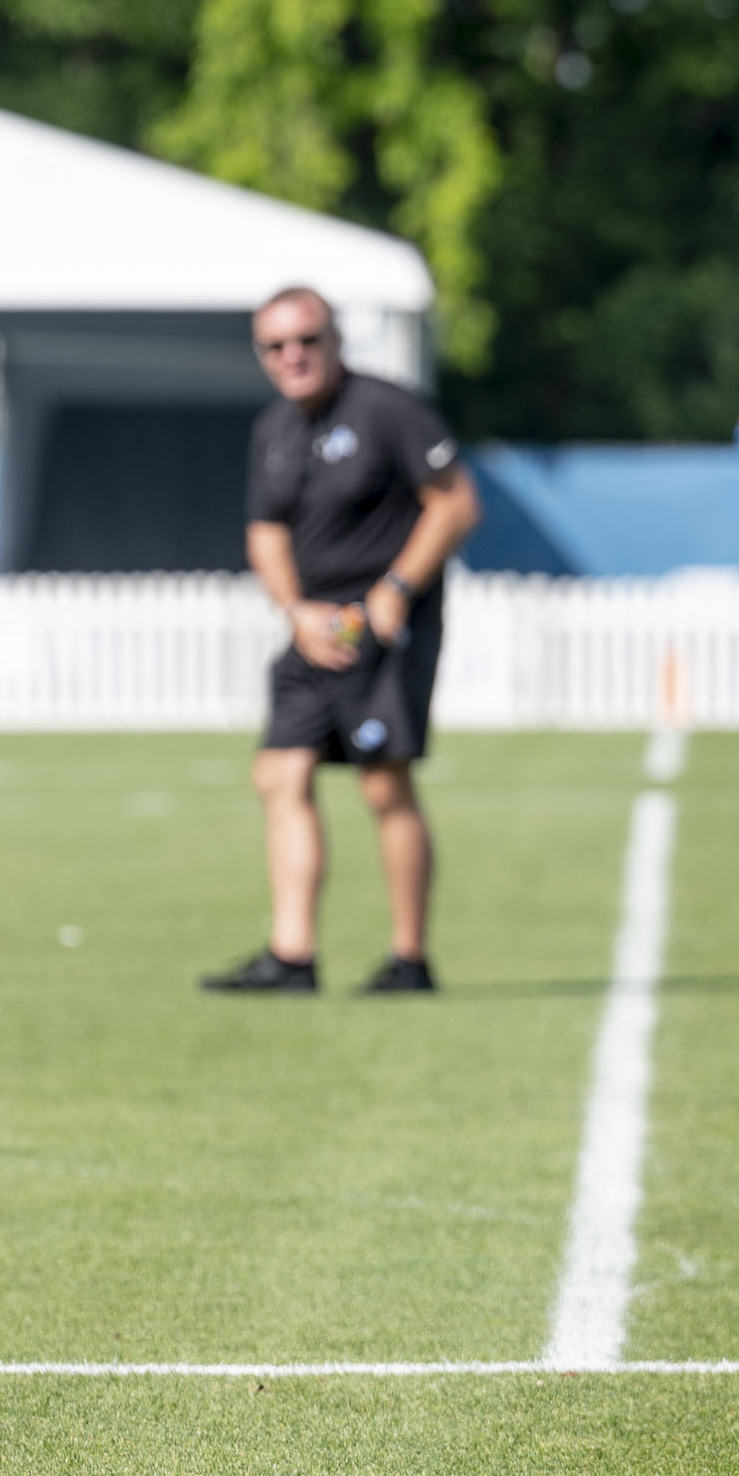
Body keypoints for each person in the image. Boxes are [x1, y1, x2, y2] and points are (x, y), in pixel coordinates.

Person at [206, 286, 482, 996]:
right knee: (279, 774)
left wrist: (395, 587)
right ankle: (292, 954)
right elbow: (265, 532)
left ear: (334, 340)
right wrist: (295, 609)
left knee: (384, 785)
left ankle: (409, 959)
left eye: (307, 339)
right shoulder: (273, 429)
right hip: (311, 630)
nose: (293, 355)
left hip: (382, 629)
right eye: (275, 346)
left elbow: (455, 504)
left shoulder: (388, 408)